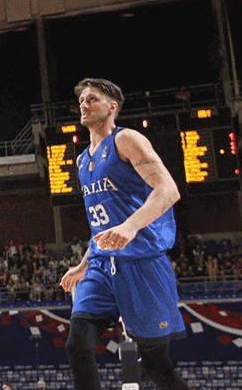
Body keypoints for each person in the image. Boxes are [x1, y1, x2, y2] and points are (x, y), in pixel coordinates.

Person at [59, 78, 189, 390]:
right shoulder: (82, 160)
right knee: (78, 344)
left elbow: (169, 190)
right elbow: (102, 226)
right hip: (102, 264)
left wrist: (130, 226)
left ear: (112, 107)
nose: (84, 105)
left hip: (141, 262)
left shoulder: (126, 139)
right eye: (82, 101)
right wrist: (83, 264)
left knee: (157, 365)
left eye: (92, 99)